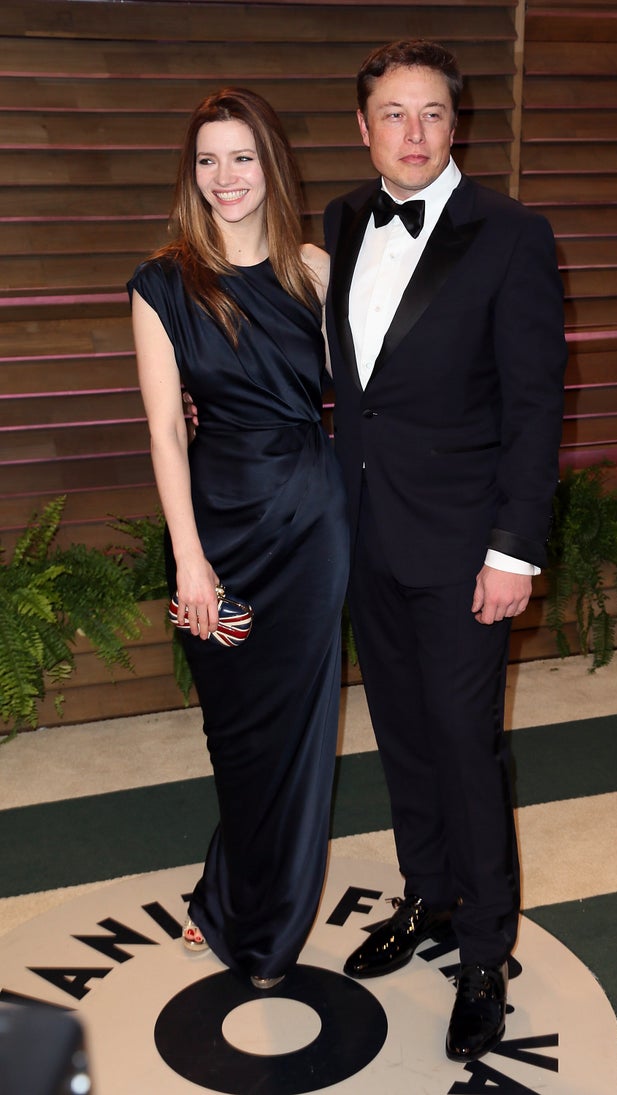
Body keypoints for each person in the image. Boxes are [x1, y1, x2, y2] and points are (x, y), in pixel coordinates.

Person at [323, 40, 567, 1060]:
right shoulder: (341, 220)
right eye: (393, 113)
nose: (412, 133)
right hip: (366, 538)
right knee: (406, 737)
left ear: (455, 124)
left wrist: (514, 550)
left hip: (468, 549)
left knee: (468, 751)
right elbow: (352, 382)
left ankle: (483, 954)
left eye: (431, 113)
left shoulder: (511, 234)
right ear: (364, 126)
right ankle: (426, 897)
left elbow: (535, 404)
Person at [127, 88, 349, 990]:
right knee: (237, 731)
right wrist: (187, 554)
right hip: (216, 529)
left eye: (242, 157)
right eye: (208, 160)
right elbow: (165, 432)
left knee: (297, 730)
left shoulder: (316, 272)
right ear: (193, 173)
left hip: (310, 523)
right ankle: (227, 894)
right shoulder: (161, 285)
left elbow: (371, 397)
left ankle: (264, 931)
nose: (225, 177)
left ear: (272, 164)